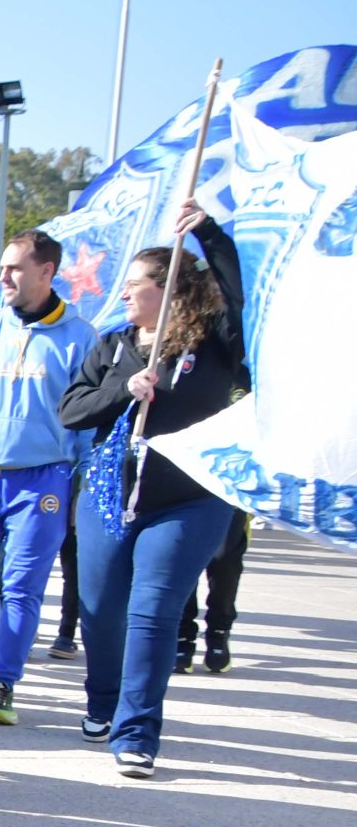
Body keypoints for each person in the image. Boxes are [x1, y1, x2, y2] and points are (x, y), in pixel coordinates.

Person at [57, 203, 251, 777]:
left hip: (188, 499)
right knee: (100, 612)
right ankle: (103, 704)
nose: (122, 292)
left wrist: (208, 234)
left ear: (168, 290)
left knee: (153, 612)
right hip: (107, 496)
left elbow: (237, 294)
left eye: (135, 283)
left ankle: (137, 732)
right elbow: (72, 410)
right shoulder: (113, 345)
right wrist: (125, 389)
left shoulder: (214, 341)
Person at [0, 230, 97, 725]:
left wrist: (80, 484)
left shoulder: (80, 336)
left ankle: (3, 680)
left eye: (14, 268)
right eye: (2, 268)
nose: (3, 277)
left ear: (46, 271)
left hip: (44, 479)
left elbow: (88, 418)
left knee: (21, 586)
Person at [175, 509, 249, 674]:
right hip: (183, 498)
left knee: (225, 560)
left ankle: (219, 633)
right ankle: (182, 636)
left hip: (227, 498)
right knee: (183, 557)